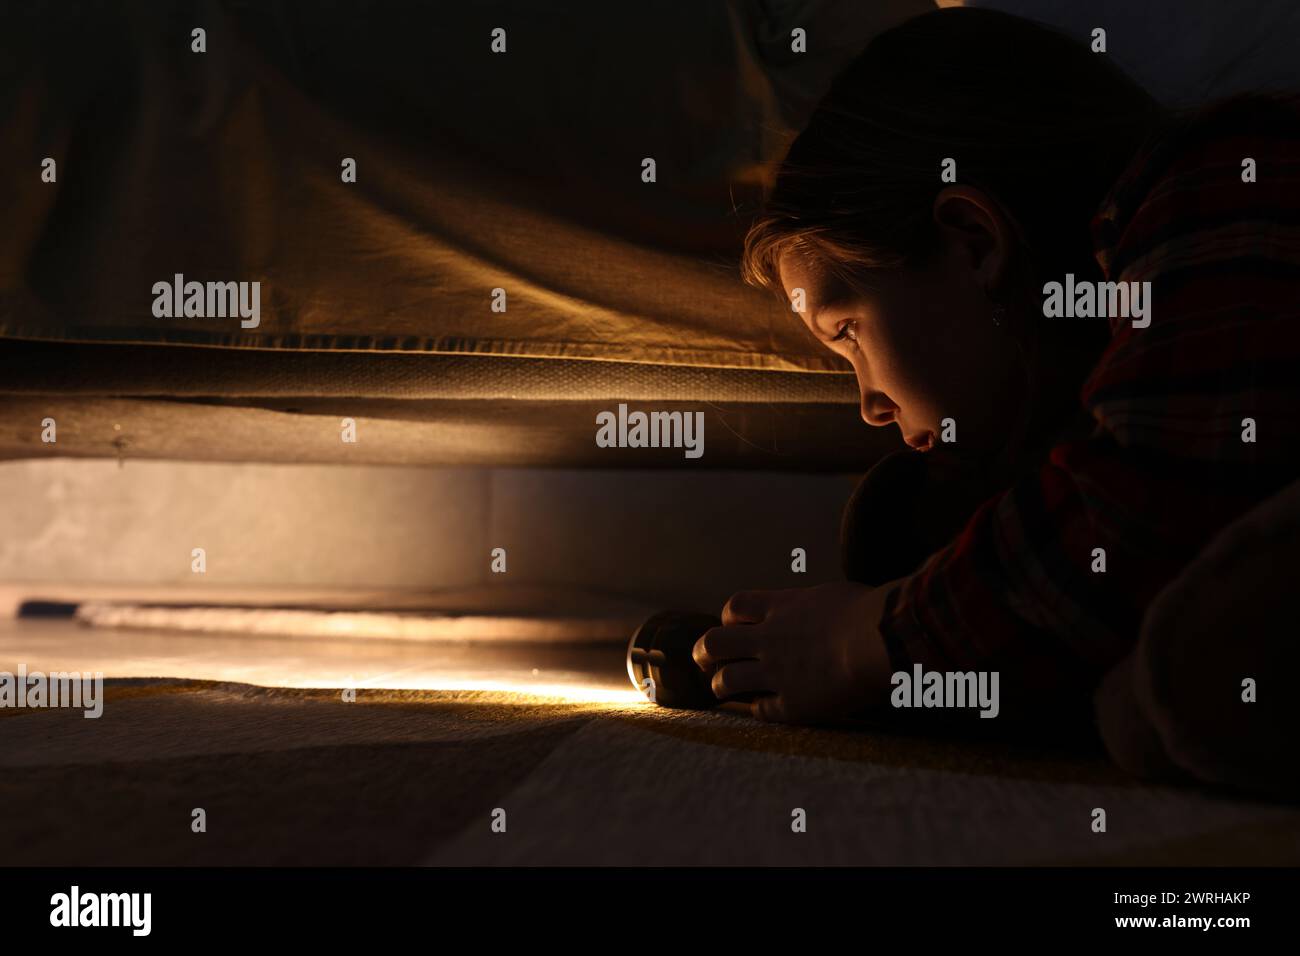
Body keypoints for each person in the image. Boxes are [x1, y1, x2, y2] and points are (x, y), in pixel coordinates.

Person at [692, 8, 1300, 792]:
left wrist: (867, 644)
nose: (870, 406)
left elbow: (1138, 509)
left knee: (1173, 684)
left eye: (847, 332)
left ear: (973, 242)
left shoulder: (1229, 174)